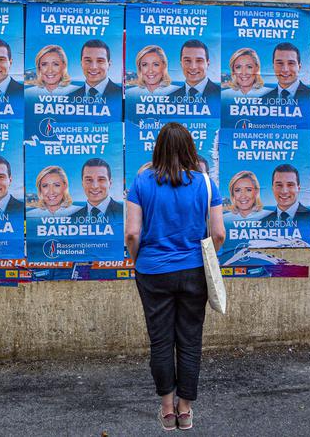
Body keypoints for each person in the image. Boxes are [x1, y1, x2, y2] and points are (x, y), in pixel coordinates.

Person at [125, 122, 226, 431]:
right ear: (189, 149)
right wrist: (206, 257)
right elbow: (219, 233)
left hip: (153, 271)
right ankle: (185, 410)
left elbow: (131, 233)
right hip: (194, 271)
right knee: (190, 340)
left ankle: (167, 410)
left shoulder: (142, 182)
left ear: (158, 149)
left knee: (160, 341)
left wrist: (137, 259)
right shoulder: (206, 184)